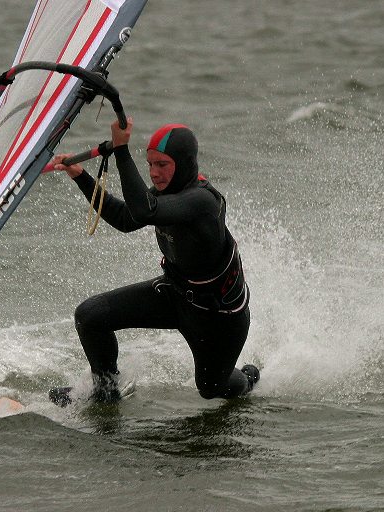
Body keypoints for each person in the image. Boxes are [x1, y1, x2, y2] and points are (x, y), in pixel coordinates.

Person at [49, 118, 259, 404]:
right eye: (150, 164)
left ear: (184, 163)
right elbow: (126, 218)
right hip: (176, 295)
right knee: (90, 316)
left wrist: (121, 149)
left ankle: (248, 378)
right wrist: (81, 176)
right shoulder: (164, 193)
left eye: (162, 165)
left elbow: (145, 211)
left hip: (217, 318)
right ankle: (107, 390)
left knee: (211, 388)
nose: (154, 173)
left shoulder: (202, 201)